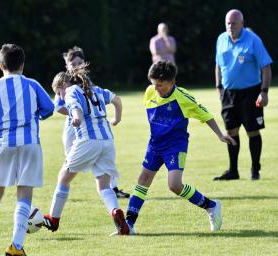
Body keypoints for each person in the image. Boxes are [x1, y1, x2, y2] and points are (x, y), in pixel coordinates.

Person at [117, 60, 236, 235]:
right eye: (153, 84)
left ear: (172, 82)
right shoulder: (150, 92)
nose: (156, 88)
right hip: (155, 144)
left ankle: (211, 206)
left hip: (175, 146)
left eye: (160, 85)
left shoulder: (183, 97)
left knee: (174, 185)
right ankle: (129, 224)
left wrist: (219, 134)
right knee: (143, 179)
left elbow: (205, 114)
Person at [0, 44, 54, 256]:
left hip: (3, 142)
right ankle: (16, 246)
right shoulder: (32, 84)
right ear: (22, 64)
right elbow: (48, 109)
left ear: (1, 65)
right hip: (29, 142)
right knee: (24, 192)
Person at [43, 64, 129, 235]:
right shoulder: (94, 88)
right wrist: (117, 119)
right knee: (104, 184)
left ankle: (53, 219)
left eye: (58, 92)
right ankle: (118, 218)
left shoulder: (70, 91)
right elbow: (117, 100)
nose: (60, 96)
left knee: (64, 177)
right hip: (107, 140)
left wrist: (76, 117)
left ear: (62, 86)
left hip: (88, 140)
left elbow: (75, 108)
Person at [54, 46, 130, 198]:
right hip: (73, 128)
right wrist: (76, 113)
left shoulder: (86, 81)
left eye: (80, 63)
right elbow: (58, 107)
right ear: (67, 65)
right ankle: (62, 191)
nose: (77, 66)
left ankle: (113, 189)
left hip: (91, 128)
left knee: (104, 159)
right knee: (69, 164)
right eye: (73, 63)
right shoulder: (64, 82)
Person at [214, 9, 272, 181]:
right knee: (231, 131)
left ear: (242, 23)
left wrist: (264, 92)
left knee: (253, 131)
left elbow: (266, 67)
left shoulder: (253, 40)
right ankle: (233, 171)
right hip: (229, 93)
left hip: (251, 92)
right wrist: (219, 87)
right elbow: (217, 65)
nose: (230, 26)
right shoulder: (221, 39)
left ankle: (255, 169)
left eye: (234, 23)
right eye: (228, 23)